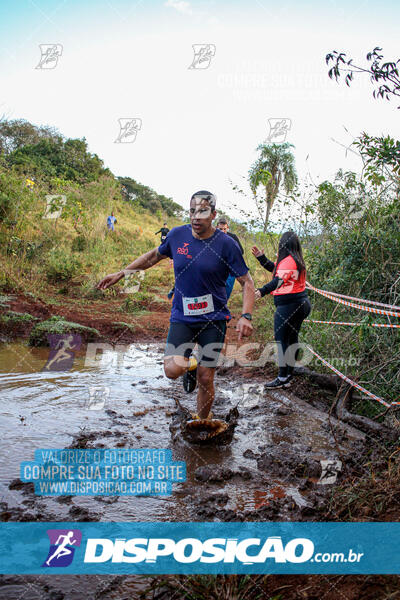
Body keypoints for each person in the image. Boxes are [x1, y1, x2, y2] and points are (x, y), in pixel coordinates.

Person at [97, 190, 255, 420]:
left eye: (203, 211)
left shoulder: (226, 245)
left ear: (213, 215)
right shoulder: (177, 235)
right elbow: (152, 257)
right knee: (172, 370)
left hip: (214, 320)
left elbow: (247, 282)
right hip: (183, 316)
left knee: (206, 377)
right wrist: (122, 273)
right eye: (192, 211)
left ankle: (201, 421)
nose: (196, 217)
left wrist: (246, 316)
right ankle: (190, 366)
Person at [252, 231, 311, 389]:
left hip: (290, 305)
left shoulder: (289, 260)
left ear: (283, 244)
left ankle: (283, 377)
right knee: (291, 339)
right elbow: (276, 270)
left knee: (282, 340)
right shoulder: (294, 259)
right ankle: (289, 373)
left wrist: (261, 291)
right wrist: (261, 259)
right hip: (298, 304)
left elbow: (278, 281)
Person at [216, 218, 244, 300]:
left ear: (227, 228)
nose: (222, 231)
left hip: (229, 268)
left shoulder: (232, 237)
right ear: (216, 227)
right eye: (220, 229)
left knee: (227, 289)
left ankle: (223, 306)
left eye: (224, 229)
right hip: (216, 268)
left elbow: (241, 251)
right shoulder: (212, 237)